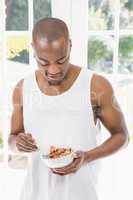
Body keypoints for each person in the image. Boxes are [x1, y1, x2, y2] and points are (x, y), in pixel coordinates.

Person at [8, 17, 129, 200]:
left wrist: (87, 157)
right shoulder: (22, 88)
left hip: (81, 194)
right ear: (33, 50)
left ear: (70, 46)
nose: (54, 70)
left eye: (61, 60)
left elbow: (122, 136)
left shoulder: (96, 86)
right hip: (34, 194)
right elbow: (12, 139)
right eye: (44, 62)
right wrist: (18, 143)